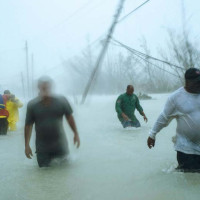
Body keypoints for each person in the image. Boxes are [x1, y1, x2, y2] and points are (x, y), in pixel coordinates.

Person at [147, 68, 200, 172]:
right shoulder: (175, 98)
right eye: (197, 82)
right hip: (186, 148)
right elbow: (164, 118)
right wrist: (152, 134)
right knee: (191, 180)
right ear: (187, 81)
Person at [24, 76, 80, 167]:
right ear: (39, 88)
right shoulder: (32, 105)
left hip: (60, 145)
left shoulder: (61, 101)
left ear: (51, 87)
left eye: (48, 87)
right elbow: (28, 125)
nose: (46, 89)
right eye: (43, 87)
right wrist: (27, 145)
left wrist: (76, 134)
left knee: (65, 174)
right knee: (43, 174)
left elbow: (69, 117)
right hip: (42, 148)